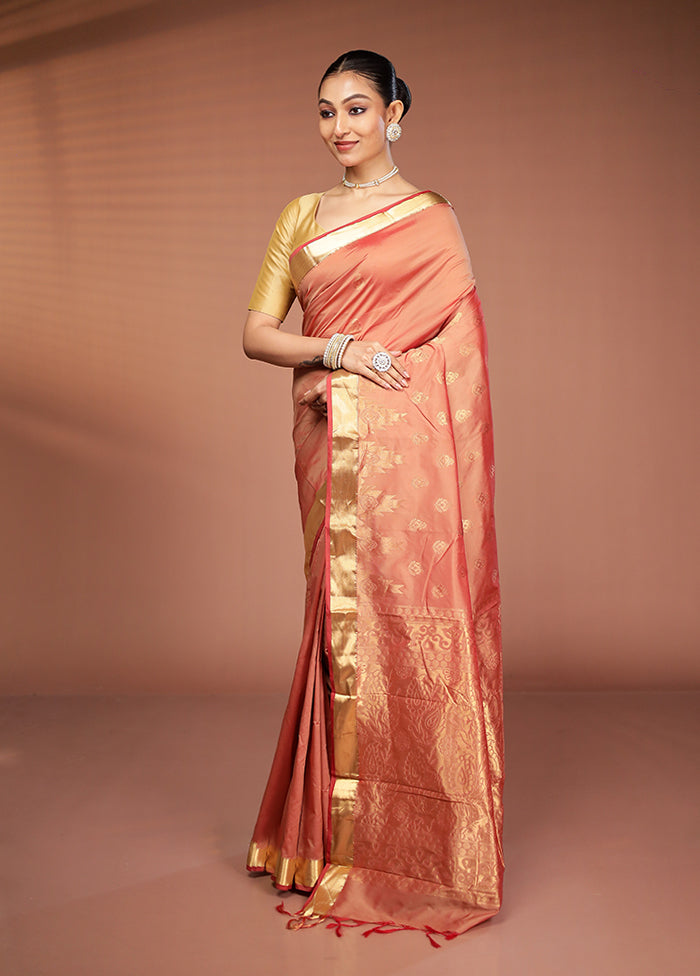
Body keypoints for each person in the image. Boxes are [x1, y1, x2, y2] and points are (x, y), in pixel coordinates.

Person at [242, 50, 504, 946]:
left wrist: (364, 383)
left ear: (395, 113)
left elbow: (455, 355)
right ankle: (320, 838)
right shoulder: (302, 215)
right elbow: (257, 333)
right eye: (326, 111)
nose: (340, 126)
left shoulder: (431, 219)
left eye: (357, 108)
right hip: (329, 442)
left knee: (398, 623)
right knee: (335, 624)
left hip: (402, 461)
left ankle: (406, 841)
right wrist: (338, 353)